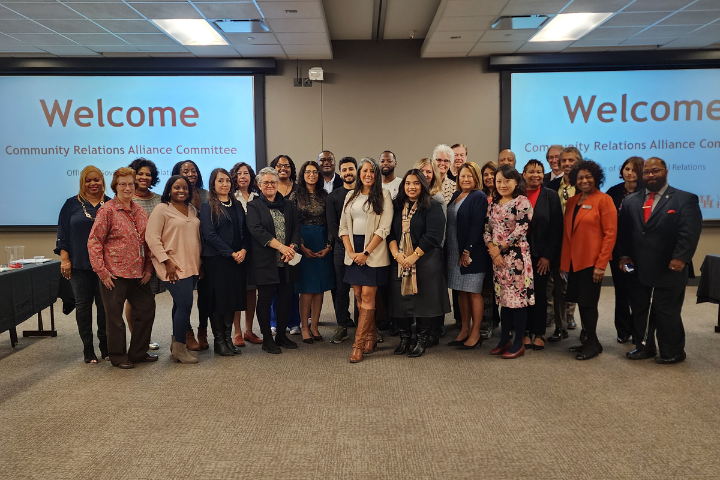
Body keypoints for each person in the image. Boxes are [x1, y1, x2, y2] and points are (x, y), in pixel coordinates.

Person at [618, 157, 702, 364]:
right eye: (647, 172)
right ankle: (644, 347)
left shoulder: (684, 199)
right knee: (640, 309)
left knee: (666, 311)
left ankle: (672, 351)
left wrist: (681, 258)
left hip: (670, 267)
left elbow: (689, 233)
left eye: (655, 171)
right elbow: (623, 233)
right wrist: (624, 256)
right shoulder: (631, 201)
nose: (650, 175)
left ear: (665, 171)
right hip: (638, 268)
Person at [87, 167, 156, 369]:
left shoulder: (140, 211)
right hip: (114, 274)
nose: (127, 187)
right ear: (115, 186)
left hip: (139, 274)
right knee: (115, 318)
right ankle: (118, 356)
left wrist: (149, 268)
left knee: (146, 310)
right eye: (123, 184)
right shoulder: (107, 210)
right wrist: (102, 272)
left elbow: (147, 242)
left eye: (131, 184)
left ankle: (138, 352)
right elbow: (94, 242)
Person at [387, 170, 450, 357]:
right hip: (399, 261)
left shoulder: (433, 206)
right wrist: (397, 255)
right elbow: (389, 233)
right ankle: (405, 338)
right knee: (400, 302)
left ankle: (421, 340)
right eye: (407, 183)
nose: (411, 187)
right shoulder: (397, 206)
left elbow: (433, 236)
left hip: (426, 262)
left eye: (415, 183)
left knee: (424, 302)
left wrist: (413, 257)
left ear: (423, 185)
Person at [560, 160, 617, 361]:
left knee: (588, 304)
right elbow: (568, 234)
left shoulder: (604, 200)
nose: (584, 180)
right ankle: (591, 341)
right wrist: (564, 264)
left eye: (588, 176)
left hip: (591, 263)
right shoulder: (573, 201)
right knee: (581, 302)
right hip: (574, 263)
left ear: (596, 178)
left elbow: (610, 234)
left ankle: (591, 343)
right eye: (580, 177)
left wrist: (601, 265)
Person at [339, 157, 393, 363]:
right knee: (359, 296)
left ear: (376, 174)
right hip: (353, 251)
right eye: (364, 171)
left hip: (374, 252)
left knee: (369, 297)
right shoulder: (351, 196)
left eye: (372, 171)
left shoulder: (384, 195)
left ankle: (358, 344)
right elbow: (343, 226)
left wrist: (366, 253)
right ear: (360, 174)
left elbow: (384, 228)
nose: (368, 174)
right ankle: (371, 336)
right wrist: (351, 252)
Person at [56, 166, 111, 364]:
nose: (93, 183)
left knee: (104, 306)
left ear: (102, 181)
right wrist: (65, 259)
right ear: (82, 182)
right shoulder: (71, 204)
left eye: (96, 179)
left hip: (106, 267)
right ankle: (88, 348)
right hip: (79, 264)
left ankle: (105, 344)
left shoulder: (111, 204)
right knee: (83, 306)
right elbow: (63, 234)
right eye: (88, 180)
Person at [145, 175, 201, 364]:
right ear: (169, 189)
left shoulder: (192, 210)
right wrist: (166, 261)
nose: (181, 191)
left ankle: (176, 344)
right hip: (173, 266)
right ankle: (180, 348)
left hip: (192, 264)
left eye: (185, 188)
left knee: (180, 305)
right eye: (177, 187)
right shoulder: (162, 209)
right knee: (185, 304)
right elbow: (152, 238)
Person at [246, 167, 302, 354]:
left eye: (273, 182)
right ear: (259, 185)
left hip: (287, 260)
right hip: (266, 261)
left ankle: (281, 336)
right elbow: (257, 231)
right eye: (266, 182)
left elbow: (296, 228)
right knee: (265, 300)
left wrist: (292, 247)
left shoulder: (288, 204)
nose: (270, 185)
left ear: (278, 184)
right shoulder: (253, 206)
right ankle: (267, 339)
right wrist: (281, 247)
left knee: (286, 299)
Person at [484, 166, 534, 358]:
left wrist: (500, 248)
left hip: (517, 259)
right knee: (504, 302)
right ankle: (505, 340)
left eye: (507, 181)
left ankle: (519, 342)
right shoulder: (493, 203)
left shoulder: (522, 202)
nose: (502, 185)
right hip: (498, 260)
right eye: (499, 181)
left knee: (518, 302)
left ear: (516, 182)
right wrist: (493, 251)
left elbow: (521, 230)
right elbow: (486, 230)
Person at [199, 168, 249, 356]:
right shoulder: (207, 205)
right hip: (217, 260)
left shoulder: (236, 204)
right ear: (213, 184)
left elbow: (245, 230)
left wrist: (243, 250)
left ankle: (228, 339)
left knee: (231, 300)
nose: (225, 184)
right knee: (218, 301)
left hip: (237, 259)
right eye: (220, 181)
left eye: (227, 180)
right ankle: (219, 341)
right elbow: (209, 235)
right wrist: (231, 253)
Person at [289, 161, 335, 343]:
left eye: (315, 172)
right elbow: (293, 223)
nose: (312, 175)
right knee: (307, 289)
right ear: (303, 174)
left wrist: (329, 245)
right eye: (308, 172)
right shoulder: (295, 196)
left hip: (322, 240)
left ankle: (315, 327)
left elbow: (330, 221)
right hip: (304, 241)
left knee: (319, 289)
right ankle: (305, 327)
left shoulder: (325, 196)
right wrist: (300, 246)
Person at [446, 162, 488, 350]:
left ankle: (476, 333)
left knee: (473, 292)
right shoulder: (456, 195)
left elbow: (477, 226)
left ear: (476, 178)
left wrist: (467, 251)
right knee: (461, 292)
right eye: (462, 176)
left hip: (471, 252)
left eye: (470, 176)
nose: (465, 179)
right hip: (454, 249)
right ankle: (464, 329)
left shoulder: (478, 196)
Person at [523, 160, 563, 351]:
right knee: (521, 293)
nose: (535, 175)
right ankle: (523, 331)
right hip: (519, 253)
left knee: (539, 292)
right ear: (524, 174)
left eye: (539, 172)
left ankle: (539, 332)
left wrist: (547, 256)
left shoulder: (551, 196)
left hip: (541, 255)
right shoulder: (517, 194)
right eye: (531, 172)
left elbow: (556, 228)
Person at [606, 156, 645, 344]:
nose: (629, 173)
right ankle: (622, 330)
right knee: (620, 292)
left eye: (634, 170)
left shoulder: (646, 193)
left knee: (637, 292)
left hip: (639, 251)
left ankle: (639, 330)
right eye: (626, 169)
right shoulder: (613, 192)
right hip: (616, 250)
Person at [172, 159, 209, 350]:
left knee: (205, 297)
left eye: (193, 170)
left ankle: (203, 330)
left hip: (207, 252)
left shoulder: (206, 195)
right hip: (183, 254)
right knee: (182, 299)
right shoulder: (176, 198)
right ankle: (185, 334)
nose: (190, 173)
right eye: (185, 171)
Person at [128, 157, 164, 351]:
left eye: (148, 174)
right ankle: (137, 339)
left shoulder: (159, 200)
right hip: (132, 259)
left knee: (148, 301)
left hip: (153, 258)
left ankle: (144, 337)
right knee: (133, 300)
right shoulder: (126, 199)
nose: (144, 177)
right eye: (140, 173)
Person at [547, 146, 583, 340]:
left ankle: (585, 329)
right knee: (558, 288)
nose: (567, 164)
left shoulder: (586, 186)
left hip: (580, 246)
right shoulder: (552, 187)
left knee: (581, 288)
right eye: (564, 161)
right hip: (558, 244)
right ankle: (560, 327)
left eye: (572, 160)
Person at [229, 162, 262, 347]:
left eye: (246, 173)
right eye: (239, 173)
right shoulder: (231, 198)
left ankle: (249, 330)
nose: (243, 176)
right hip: (238, 250)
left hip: (256, 250)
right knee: (237, 291)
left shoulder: (258, 197)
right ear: (234, 176)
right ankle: (237, 332)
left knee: (251, 292)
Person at [327, 157, 358, 344]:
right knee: (341, 289)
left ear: (356, 171)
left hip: (364, 250)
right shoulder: (333, 196)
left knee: (364, 289)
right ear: (340, 173)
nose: (348, 172)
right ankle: (342, 326)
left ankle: (367, 326)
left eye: (351, 169)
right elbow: (332, 226)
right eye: (344, 170)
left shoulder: (365, 193)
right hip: (341, 249)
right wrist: (348, 246)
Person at [269, 154, 301, 334]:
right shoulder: (268, 189)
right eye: (279, 165)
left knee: (292, 286)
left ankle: (294, 321)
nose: (283, 168)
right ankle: (274, 321)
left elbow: (298, 220)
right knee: (274, 286)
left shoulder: (298, 189)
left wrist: (294, 246)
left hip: (293, 244)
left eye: (287, 165)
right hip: (272, 245)